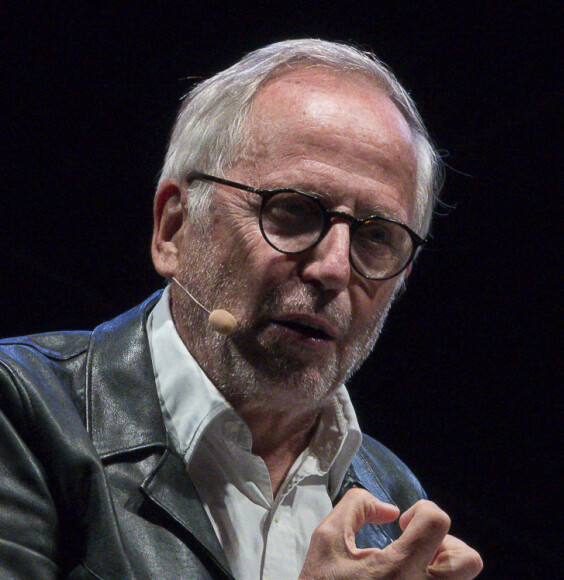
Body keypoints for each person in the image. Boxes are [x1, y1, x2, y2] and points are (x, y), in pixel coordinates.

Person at [0, 39, 482, 579]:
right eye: (293, 210)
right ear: (174, 228)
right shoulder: (23, 411)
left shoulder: (394, 501)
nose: (334, 269)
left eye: (376, 236)